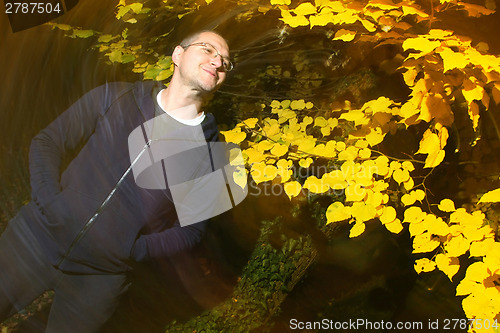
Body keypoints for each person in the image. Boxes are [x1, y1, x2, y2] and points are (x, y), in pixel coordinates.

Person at [0, 30, 238, 332]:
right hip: (34, 240)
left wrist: (130, 249)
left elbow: (191, 231)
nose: (218, 60)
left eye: (226, 61)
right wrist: (48, 201)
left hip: (100, 279)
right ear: (178, 55)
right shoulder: (117, 96)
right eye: (207, 49)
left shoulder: (210, 151)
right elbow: (48, 141)